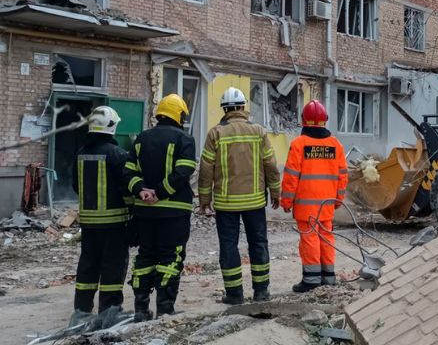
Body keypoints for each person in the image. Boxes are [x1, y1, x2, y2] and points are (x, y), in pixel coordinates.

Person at [198, 87, 281, 305]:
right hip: (255, 202)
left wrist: (204, 200)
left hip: (226, 203)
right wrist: (275, 191)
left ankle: (234, 294)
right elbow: (271, 165)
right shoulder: (259, 132)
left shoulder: (215, 133)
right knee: (258, 243)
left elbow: (206, 169)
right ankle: (261, 292)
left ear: (224, 108)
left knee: (228, 246)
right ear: (243, 106)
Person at [123, 94, 196, 321]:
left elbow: (128, 171)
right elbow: (184, 171)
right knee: (170, 257)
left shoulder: (141, 139)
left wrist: (142, 191)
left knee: (145, 256)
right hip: (173, 212)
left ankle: (141, 309)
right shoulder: (184, 139)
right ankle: (165, 308)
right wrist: (160, 192)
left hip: (144, 211)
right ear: (179, 114)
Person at [70, 106, 131, 323]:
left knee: (88, 265)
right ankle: (110, 310)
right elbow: (127, 188)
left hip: (88, 224)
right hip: (114, 224)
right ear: (112, 126)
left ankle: (81, 310)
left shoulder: (80, 154)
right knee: (112, 267)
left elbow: (76, 186)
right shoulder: (117, 154)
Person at [281, 100, 348, 293]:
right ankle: (328, 277)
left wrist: (286, 201)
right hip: (327, 204)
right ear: (325, 120)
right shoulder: (335, 145)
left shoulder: (299, 144)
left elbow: (291, 177)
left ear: (303, 120)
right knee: (326, 237)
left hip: (305, 205)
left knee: (310, 238)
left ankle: (311, 280)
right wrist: (338, 200)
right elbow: (343, 175)